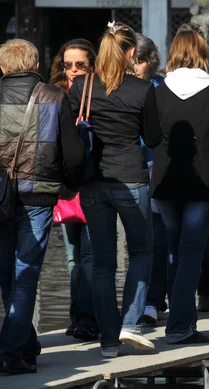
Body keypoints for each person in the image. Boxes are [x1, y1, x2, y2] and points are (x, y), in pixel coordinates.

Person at [68, 22, 161, 358]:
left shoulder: (81, 86)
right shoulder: (142, 88)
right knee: (142, 252)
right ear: (131, 52)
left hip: (93, 182)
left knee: (103, 263)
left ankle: (108, 341)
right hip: (131, 178)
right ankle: (131, 322)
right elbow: (152, 138)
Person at [0, 39, 85, 374]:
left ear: (3, 68)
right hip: (39, 195)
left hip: (0, 197)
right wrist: (70, 185)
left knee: (9, 273)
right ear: (36, 65)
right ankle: (9, 350)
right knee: (26, 274)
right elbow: (74, 155)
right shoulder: (54, 96)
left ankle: (26, 344)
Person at [152, 24, 209, 342]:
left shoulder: (159, 90)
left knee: (174, 251)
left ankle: (178, 320)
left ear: (174, 52)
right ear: (203, 53)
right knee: (191, 252)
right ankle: (179, 326)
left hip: (165, 180)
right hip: (203, 181)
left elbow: (149, 136)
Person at [49, 39, 98, 341]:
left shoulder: (99, 93)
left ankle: (88, 319)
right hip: (67, 189)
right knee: (73, 258)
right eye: (68, 64)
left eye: (80, 64)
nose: (74, 70)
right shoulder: (55, 94)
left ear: (92, 64)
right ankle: (77, 316)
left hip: (94, 185)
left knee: (90, 256)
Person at [131, 33, 169, 326]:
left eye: (140, 61)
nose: (135, 66)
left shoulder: (160, 87)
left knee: (157, 239)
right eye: (131, 60)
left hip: (155, 168)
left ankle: (153, 302)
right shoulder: (118, 86)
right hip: (127, 171)